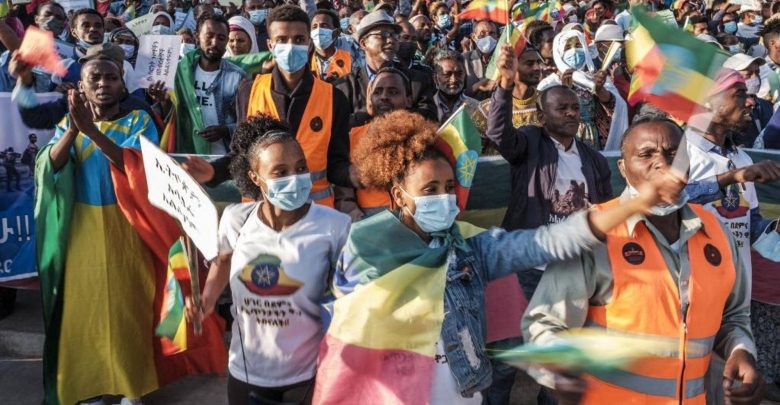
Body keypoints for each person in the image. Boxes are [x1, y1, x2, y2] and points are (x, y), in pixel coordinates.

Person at [313, 109, 685, 404]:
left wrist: (634, 204)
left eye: (449, 187)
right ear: (398, 195)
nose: (445, 198)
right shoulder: (364, 246)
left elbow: (552, 240)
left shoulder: (470, 247)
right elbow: (346, 333)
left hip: (462, 390)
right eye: (430, 189)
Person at [523, 117, 765, 405]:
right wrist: (558, 370)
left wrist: (741, 350)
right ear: (623, 168)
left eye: (673, 153)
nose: (662, 163)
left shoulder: (716, 232)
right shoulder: (593, 234)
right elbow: (544, 323)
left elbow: (734, 315)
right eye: (646, 154)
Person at [34, 46, 225, 405]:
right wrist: (73, 131)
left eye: (112, 77)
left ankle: (132, 387)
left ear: (123, 84)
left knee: (131, 304)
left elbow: (137, 167)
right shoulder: (68, 123)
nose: (103, 84)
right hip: (83, 228)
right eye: (95, 78)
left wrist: (92, 133)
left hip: (130, 225)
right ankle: (90, 384)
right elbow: (50, 167)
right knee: (85, 306)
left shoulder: (138, 120)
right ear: (81, 86)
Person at [186, 115, 350, 405]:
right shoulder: (236, 219)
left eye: (301, 168)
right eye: (280, 172)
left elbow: (350, 297)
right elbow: (223, 261)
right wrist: (206, 299)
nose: (295, 178)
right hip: (247, 373)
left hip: (308, 375)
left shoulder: (335, 226)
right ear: (255, 178)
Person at [685, 69, 780, 404]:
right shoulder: (682, 151)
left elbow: (749, 223)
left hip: (735, 290)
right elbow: (668, 201)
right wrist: (731, 177)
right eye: (739, 94)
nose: (750, 101)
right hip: (693, 288)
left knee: (727, 382)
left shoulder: (742, 157)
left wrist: (775, 229)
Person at [232, 4, 353, 207]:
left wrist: (355, 174)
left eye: (298, 40)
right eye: (282, 39)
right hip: (261, 213)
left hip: (315, 213)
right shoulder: (249, 91)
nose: (290, 46)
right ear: (270, 45)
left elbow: (336, 163)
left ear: (309, 44)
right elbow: (239, 154)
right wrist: (212, 171)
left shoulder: (334, 97)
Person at [161, 13, 246, 154]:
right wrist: (162, 101)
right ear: (197, 36)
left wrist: (225, 130)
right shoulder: (179, 72)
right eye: (209, 36)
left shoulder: (237, 77)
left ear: (226, 41)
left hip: (223, 157)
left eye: (221, 38)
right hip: (185, 154)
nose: (215, 42)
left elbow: (247, 121)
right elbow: (171, 115)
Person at [335, 10, 437, 121]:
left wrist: (394, 113)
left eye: (394, 35)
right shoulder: (344, 87)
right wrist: (367, 113)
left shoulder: (417, 81)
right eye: (382, 35)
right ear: (364, 43)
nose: (390, 40)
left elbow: (429, 120)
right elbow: (338, 125)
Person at [338, 67, 412, 218]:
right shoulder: (352, 138)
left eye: (393, 92)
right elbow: (343, 195)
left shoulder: (422, 137)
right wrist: (359, 220)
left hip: (413, 221)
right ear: (369, 99)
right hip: (368, 223)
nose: (384, 97)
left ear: (408, 100)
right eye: (377, 92)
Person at [538, 29, 628, 151]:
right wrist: (564, 90)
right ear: (559, 52)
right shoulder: (549, 83)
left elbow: (616, 105)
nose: (574, 51)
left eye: (578, 46)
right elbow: (545, 116)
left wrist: (599, 89)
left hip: (594, 138)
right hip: (563, 138)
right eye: (567, 47)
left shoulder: (595, 77)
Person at [723, 53, 772, 147]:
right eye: (748, 74)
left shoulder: (767, 107)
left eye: (757, 73)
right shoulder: (722, 111)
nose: (755, 78)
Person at [432, 50, 477, 123]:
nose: (454, 79)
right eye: (447, 74)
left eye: (459, 74)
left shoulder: (475, 107)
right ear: (435, 78)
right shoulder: (428, 107)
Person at [310, 8, 353, 82]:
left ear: (337, 32)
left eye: (324, 25)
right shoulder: (306, 60)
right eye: (314, 27)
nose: (318, 30)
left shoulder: (350, 59)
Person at [463, 19, 498, 100]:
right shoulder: (464, 59)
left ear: (497, 36)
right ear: (473, 37)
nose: (488, 37)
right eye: (482, 34)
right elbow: (458, 94)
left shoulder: (503, 59)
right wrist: (478, 86)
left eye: (492, 33)